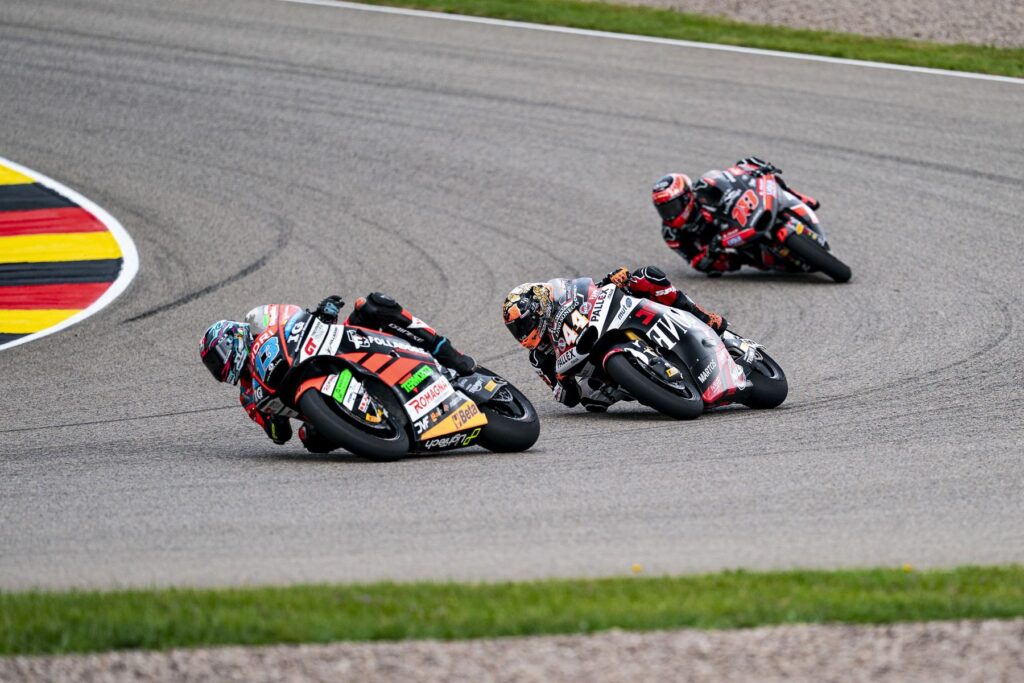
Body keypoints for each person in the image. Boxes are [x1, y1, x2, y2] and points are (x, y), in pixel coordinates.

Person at [200, 293, 475, 452]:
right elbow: (279, 436)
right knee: (311, 440)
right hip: (318, 397)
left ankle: (444, 350)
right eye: (213, 367)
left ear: (234, 339)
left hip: (337, 348)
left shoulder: (262, 322)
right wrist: (273, 421)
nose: (218, 368)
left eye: (217, 358)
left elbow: (296, 320)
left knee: (372, 304)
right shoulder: (248, 396)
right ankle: (374, 426)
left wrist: (322, 314)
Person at [502, 266, 726, 411]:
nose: (521, 333)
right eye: (516, 329)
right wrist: (562, 380)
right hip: (596, 369)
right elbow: (565, 398)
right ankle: (645, 386)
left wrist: (613, 279)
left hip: (609, 322)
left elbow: (592, 291)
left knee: (646, 276)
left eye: (523, 324)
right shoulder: (539, 357)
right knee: (590, 399)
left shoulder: (563, 297)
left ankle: (703, 316)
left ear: (539, 308)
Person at [653, 156, 820, 275]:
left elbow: (732, 176)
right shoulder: (671, 233)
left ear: (687, 197)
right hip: (730, 246)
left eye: (672, 206)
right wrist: (709, 255)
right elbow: (695, 262)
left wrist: (752, 167)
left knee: (772, 180)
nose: (670, 214)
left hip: (743, 216)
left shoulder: (704, 187)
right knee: (735, 262)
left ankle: (799, 198)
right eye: (664, 209)